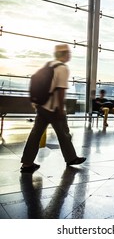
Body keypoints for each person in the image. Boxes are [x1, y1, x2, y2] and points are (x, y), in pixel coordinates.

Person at [20, 44, 86, 173]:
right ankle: (71, 158)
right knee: (64, 133)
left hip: (41, 106)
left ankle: (27, 163)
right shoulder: (62, 68)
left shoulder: (49, 64)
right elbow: (60, 90)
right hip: (53, 108)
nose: (69, 56)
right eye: (68, 53)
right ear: (64, 54)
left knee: (36, 134)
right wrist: (61, 110)